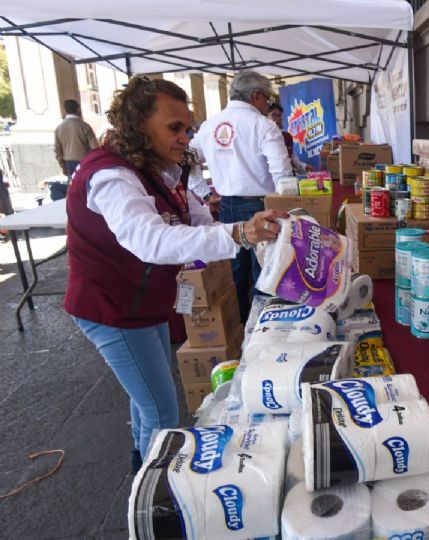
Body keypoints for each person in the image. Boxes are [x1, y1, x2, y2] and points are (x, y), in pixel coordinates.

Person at [64, 76, 286, 471]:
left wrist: (249, 228)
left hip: (142, 302)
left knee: (146, 396)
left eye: (187, 128)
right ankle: (154, 494)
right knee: (162, 411)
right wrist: (237, 233)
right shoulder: (111, 176)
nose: (185, 137)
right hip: (111, 308)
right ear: (138, 124)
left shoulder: (160, 171)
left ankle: (140, 461)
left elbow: (195, 217)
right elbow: (150, 241)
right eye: (174, 127)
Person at [189, 70, 295, 320]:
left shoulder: (209, 125)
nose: (268, 104)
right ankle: (262, 330)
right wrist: (287, 207)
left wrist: (205, 193)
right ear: (255, 95)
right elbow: (282, 172)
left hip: (227, 207)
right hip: (261, 207)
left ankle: (238, 326)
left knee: (235, 272)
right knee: (266, 270)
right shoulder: (263, 125)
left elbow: (188, 162)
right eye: (267, 98)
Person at [54, 99, 99, 179]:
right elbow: (95, 147)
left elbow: (58, 150)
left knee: (73, 187)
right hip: (85, 162)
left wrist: (63, 166)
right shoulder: (84, 126)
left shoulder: (59, 128)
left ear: (65, 110)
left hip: (68, 163)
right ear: (78, 109)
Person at [267, 102, 313, 175]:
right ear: (266, 117)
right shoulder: (262, 138)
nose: (278, 119)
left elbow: (292, 158)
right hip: (271, 181)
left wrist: (304, 167)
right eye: (274, 115)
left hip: (289, 180)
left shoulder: (286, 136)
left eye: (279, 116)